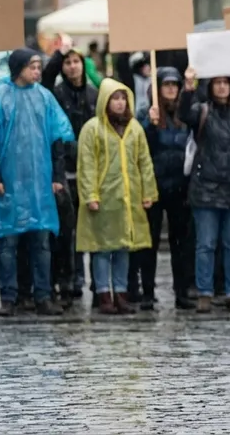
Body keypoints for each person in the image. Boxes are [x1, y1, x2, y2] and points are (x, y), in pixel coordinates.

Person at [0, 48, 75, 317]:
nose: (38, 72)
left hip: (40, 186)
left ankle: (42, 295)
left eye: (40, 67)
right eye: (33, 67)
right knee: (8, 244)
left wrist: (56, 177)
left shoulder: (45, 98)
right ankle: (9, 297)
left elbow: (57, 141)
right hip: (10, 185)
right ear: (19, 69)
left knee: (41, 243)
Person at [77, 80, 158, 315]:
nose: (120, 103)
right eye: (115, 98)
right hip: (104, 199)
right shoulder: (92, 129)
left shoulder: (135, 128)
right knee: (102, 249)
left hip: (128, 200)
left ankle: (121, 294)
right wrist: (90, 194)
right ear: (105, 101)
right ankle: (103, 294)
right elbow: (87, 165)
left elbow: (144, 162)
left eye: (123, 98)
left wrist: (148, 192)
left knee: (123, 248)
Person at [180, 67, 230, 313]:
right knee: (206, 245)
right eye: (216, 83)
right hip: (205, 189)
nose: (221, 87)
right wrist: (188, 88)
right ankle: (205, 292)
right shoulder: (202, 111)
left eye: (225, 83)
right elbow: (184, 114)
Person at [41, 39, 99, 308]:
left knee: (89, 230)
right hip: (63, 169)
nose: (73, 66)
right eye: (68, 62)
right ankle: (65, 280)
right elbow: (45, 78)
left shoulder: (93, 94)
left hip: (89, 170)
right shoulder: (55, 94)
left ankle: (84, 280)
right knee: (65, 231)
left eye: (76, 61)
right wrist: (58, 54)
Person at [135, 67, 196, 310]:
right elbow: (140, 145)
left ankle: (181, 291)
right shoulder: (146, 112)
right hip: (153, 185)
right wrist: (150, 124)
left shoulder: (185, 114)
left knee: (181, 243)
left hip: (180, 186)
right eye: (166, 85)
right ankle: (147, 292)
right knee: (148, 243)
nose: (171, 89)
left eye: (175, 85)